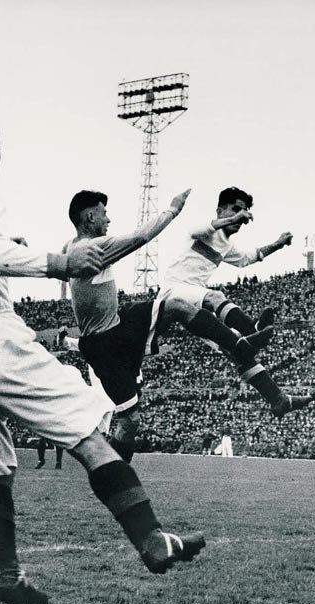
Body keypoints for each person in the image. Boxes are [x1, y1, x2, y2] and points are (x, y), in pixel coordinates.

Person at [0, 109, 204, 604]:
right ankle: (153, 540)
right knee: (88, 432)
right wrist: (59, 263)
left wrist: (12, 252)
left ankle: (4, 581)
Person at [66, 188, 275, 462]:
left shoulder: (72, 246)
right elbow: (140, 237)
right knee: (129, 422)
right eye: (103, 213)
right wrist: (173, 210)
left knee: (176, 305)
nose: (108, 219)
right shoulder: (92, 249)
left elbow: (64, 266)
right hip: (104, 345)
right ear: (90, 217)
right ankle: (113, 470)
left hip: (119, 324)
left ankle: (240, 345)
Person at [161, 186, 314, 417]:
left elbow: (245, 259)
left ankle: (278, 399)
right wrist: (233, 218)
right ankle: (251, 329)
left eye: (243, 211)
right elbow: (197, 230)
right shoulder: (204, 231)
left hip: (194, 301)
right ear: (219, 210)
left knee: (235, 351)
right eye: (234, 209)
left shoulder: (226, 245)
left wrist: (278, 244)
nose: (240, 217)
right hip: (173, 292)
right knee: (216, 296)